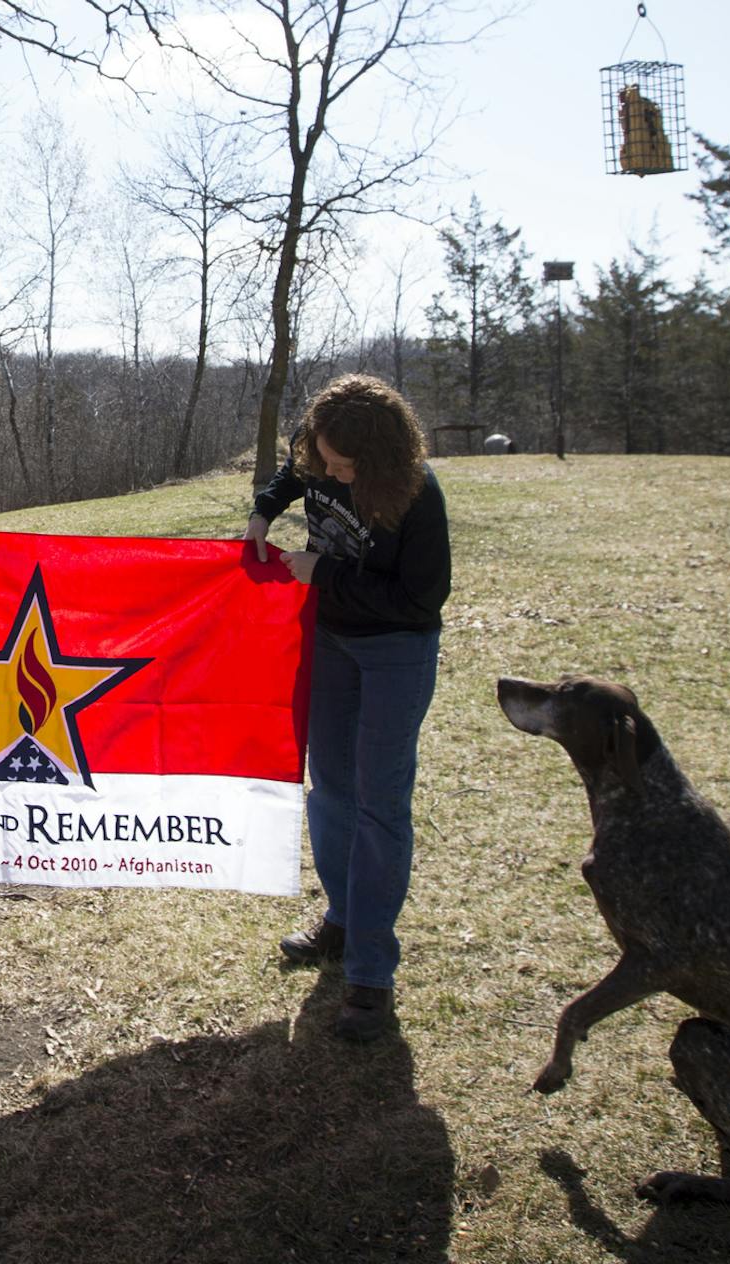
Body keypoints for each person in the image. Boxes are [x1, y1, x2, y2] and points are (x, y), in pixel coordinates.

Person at [245, 375, 452, 1042]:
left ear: (382, 456)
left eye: (342, 466)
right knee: (330, 790)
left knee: (379, 803)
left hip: (396, 651)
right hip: (331, 644)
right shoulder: (321, 459)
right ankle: (340, 920)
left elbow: (420, 603)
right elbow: (295, 472)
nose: (327, 474)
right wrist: (265, 507)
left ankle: (371, 973)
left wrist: (324, 573)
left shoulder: (417, 495)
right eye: (323, 458)